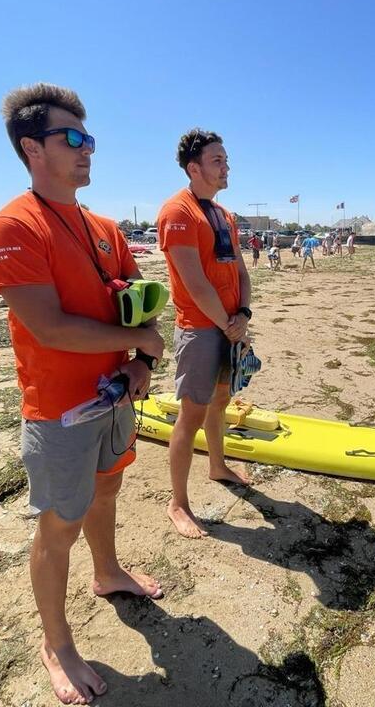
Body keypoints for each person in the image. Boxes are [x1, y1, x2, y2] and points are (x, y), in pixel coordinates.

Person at [0, 83, 165, 705]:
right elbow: (50, 326)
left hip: (116, 395)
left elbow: (142, 300)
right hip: (59, 408)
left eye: (91, 139)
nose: (89, 150)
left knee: (109, 487)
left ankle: (108, 572)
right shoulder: (14, 225)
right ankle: (56, 642)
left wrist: (141, 357)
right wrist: (137, 337)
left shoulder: (105, 227)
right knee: (59, 522)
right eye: (74, 139)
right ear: (32, 147)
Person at [157, 128, 253, 540]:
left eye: (226, 159)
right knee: (191, 414)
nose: (226, 166)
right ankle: (178, 502)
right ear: (194, 168)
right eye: (218, 160)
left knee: (221, 400)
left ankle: (217, 465)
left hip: (230, 324)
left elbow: (241, 272)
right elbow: (194, 283)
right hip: (200, 329)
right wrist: (228, 326)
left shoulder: (224, 214)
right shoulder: (177, 212)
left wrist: (243, 316)